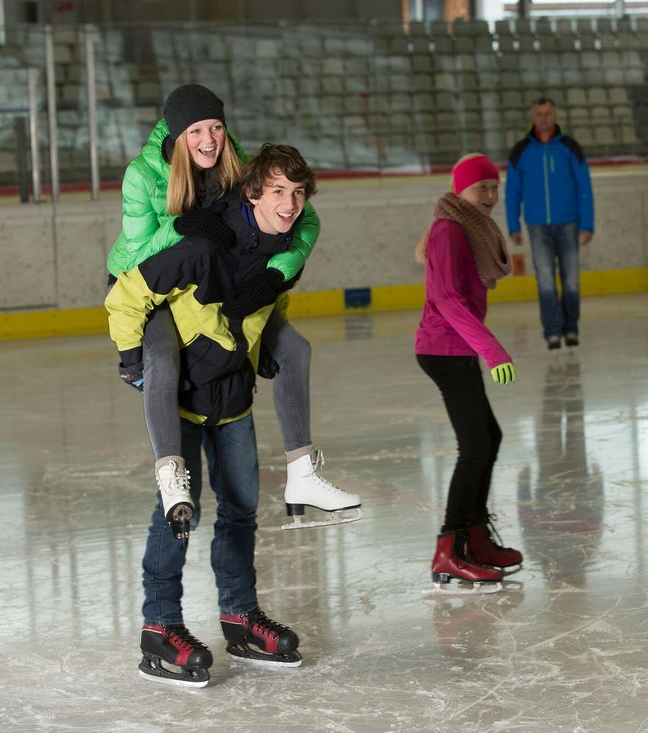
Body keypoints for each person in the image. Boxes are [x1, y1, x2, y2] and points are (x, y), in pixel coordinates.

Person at [104, 145, 324, 686]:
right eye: (278, 192)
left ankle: (239, 616)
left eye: (297, 194)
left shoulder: (274, 245)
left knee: (242, 509)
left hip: (233, 400)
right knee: (180, 516)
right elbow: (128, 292)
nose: (290, 204)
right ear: (250, 193)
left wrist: (269, 343)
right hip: (181, 396)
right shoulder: (204, 243)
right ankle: (159, 627)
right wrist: (133, 358)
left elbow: (268, 299)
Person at [105, 84, 357, 538]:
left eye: (216, 126)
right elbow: (141, 259)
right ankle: (170, 477)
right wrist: (182, 226)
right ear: (180, 134)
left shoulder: (236, 159)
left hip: (214, 271)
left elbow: (301, 218)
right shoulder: (142, 175)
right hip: (148, 277)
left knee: (294, 350)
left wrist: (276, 274)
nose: (209, 139)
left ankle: (303, 473)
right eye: (197, 130)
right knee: (161, 360)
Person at [415, 153, 522, 594]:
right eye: (483, 189)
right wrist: (492, 350)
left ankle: (474, 538)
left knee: (488, 439)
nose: (491, 197)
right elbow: (446, 299)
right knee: (476, 446)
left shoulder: (467, 227)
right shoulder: (448, 231)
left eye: (495, 188)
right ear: (461, 190)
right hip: (443, 349)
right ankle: (450, 550)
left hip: (457, 348)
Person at [505, 97, 595, 350]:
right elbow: (513, 191)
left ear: (555, 116)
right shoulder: (521, 151)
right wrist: (513, 224)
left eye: (548, 114)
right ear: (533, 117)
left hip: (569, 223)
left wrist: (587, 223)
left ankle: (571, 328)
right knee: (545, 279)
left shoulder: (570, 147)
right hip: (537, 226)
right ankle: (553, 331)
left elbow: (584, 188)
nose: (544, 119)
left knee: (571, 280)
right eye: (539, 114)